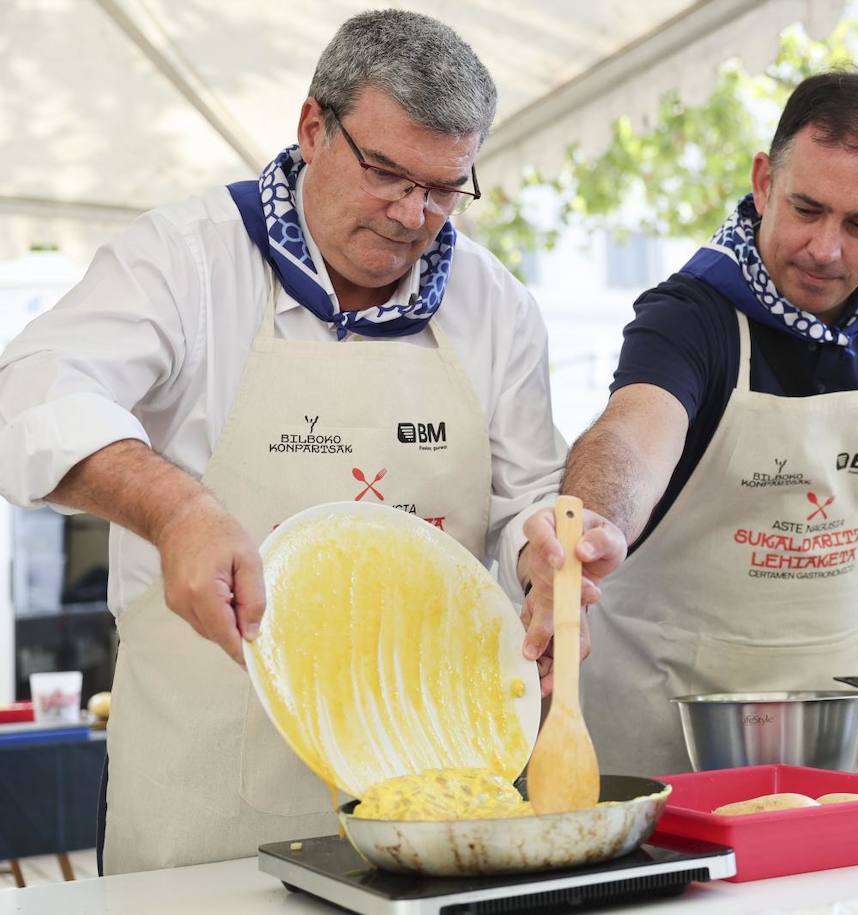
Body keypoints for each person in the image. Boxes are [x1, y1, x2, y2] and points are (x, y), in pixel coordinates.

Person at [0, 11, 565, 872]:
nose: (414, 214)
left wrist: (546, 557)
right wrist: (178, 508)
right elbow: (30, 393)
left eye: (445, 187)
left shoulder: (495, 305)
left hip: (433, 800)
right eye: (387, 172)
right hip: (201, 811)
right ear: (313, 128)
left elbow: (528, 499)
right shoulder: (186, 260)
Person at [519, 70, 858, 775]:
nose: (825, 249)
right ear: (763, 182)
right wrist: (594, 520)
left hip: (828, 737)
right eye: (807, 208)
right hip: (663, 732)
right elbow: (632, 430)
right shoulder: (691, 314)